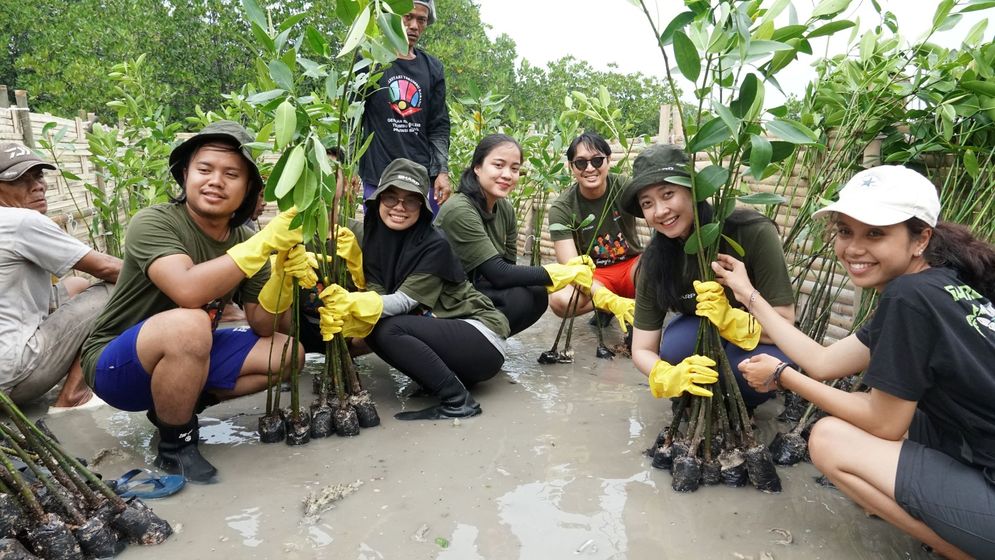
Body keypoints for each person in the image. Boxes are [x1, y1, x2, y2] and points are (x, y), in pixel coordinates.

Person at [716, 166, 994, 559]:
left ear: (921, 239)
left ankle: (957, 550)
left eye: (875, 233)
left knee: (828, 439)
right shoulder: (942, 284)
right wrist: (748, 294)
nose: (853, 248)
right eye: (846, 231)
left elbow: (884, 422)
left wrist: (782, 376)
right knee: (911, 415)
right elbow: (824, 361)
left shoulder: (909, 297)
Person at [80, 121, 309, 483]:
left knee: (288, 352)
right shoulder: (153, 222)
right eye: (205, 169)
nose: (215, 181)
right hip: (117, 365)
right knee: (190, 322)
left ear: (249, 187)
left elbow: (268, 327)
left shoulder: (246, 238)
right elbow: (187, 291)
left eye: (231, 173)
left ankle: (176, 407)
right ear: (185, 174)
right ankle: (176, 446)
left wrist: (282, 277)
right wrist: (260, 246)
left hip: (188, 353)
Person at [318, 158, 510, 420]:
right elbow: (327, 222)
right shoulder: (372, 236)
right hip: (446, 341)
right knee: (373, 322)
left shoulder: (433, 245)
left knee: (385, 326)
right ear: (378, 200)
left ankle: (458, 401)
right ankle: (438, 383)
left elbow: (403, 302)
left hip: (481, 341)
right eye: (391, 198)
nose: (399, 208)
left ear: (422, 207)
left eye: (410, 200)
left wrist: (351, 304)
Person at [622, 144, 795, 409]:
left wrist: (729, 319)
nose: (660, 211)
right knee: (676, 350)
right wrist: (667, 375)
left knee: (746, 370)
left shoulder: (752, 232)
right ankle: (694, 403)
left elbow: (785, 324)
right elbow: (642, 348)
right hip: (697, 333)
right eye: (647, 203)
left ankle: (744, 408)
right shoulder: (654, 261)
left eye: (668, 194)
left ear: (695, 191)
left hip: (762, 338)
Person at [0, 142, 121, 409]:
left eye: (38, 176)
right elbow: (108, 267)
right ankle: (74, 395)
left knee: (76, 284)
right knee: (117, 290)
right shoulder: (21, 221)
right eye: (20, 180)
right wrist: (179, 279)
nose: (37, 186)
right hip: (13, 377)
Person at [435, 134, 594, 335]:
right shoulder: (459, 209)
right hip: (445, 296)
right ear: (477, 167)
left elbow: (509, 267)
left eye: (515, 169)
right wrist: (558, 273)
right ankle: (462, 338)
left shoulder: (505, 210)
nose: (507, 175)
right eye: (498, 165)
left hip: (473, 288)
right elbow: (499, 274)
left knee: (535, 293)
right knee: (522, 297)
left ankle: (486, 340)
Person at [359, 0, 451, 215]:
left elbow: (438, 125)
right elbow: (353, 118)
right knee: (380, 242)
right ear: (390, 17)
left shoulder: (432, 68)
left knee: (423, 242)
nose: (414, 26)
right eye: (407, 17)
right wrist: (346, 168)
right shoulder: (370, 60)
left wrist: (442, 172)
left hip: (420, 177)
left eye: (422, 20)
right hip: (379, 175)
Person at [546, 132, 642, 332]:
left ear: (608, 161)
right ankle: (607, 305)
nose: (590, 168)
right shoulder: (562, 208)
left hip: (632, 267)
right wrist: (608, 298)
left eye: (597, 161)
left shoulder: (624, 187)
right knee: (559, 301)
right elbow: (572, 269)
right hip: (593, 276)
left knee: (657, 269)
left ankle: (642, 318)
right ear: (571, 167)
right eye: (581, 163)